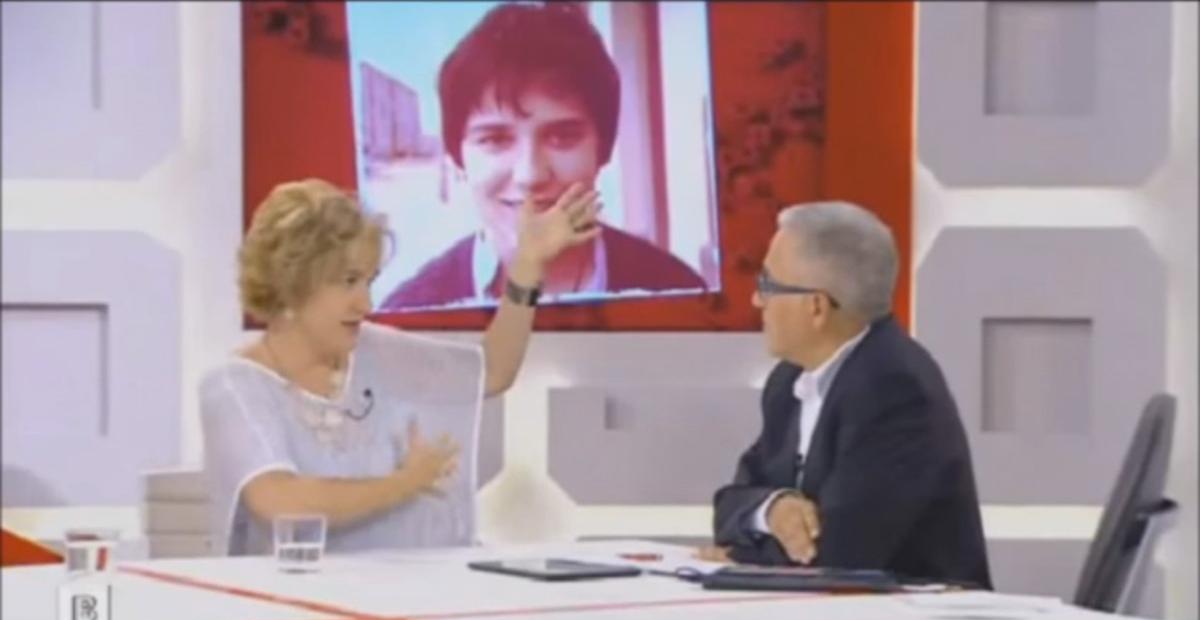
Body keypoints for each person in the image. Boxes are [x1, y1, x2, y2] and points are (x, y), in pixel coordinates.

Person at [202, 177, 600, 555]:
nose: (366, 304)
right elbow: (281, 501)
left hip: (407, 600)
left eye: (369, 281)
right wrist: (404, 483)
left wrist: (526, 268)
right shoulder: (234, 387)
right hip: (295, 614)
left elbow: (494, 371)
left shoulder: (376, 351)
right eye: (348, 281)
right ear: (292, 283)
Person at [711, 201, 992, 589]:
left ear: (816, 307)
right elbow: (729, 505)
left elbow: (839, 556)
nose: (757, 301)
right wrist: (773, 509)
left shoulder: (894, 388)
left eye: (768, 286)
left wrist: (739, 558)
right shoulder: (787, 382)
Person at [378, 2, 706, 312]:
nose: (529, 175)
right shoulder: (407, 315)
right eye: (495, 139)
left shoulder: (678, 291)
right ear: (458, 158)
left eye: (562, 136)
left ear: (602, 150)